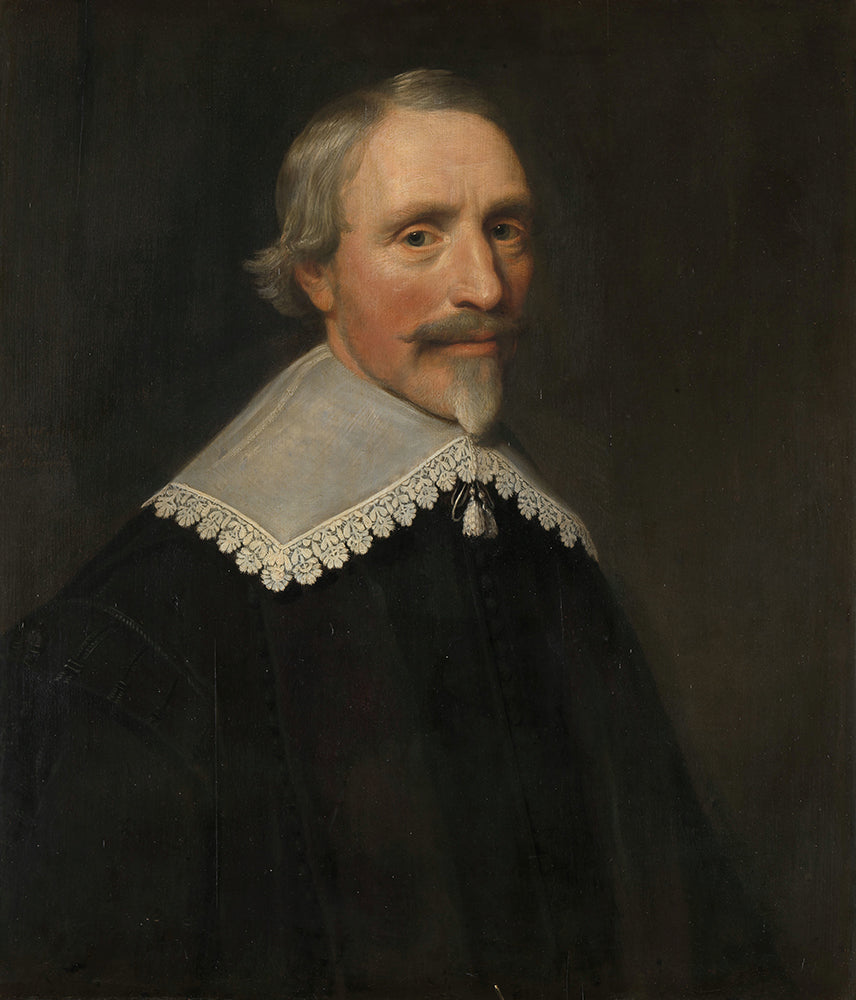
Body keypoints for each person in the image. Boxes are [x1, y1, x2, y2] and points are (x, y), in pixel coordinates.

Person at [0, 71, 783, 999]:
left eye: (506, 228)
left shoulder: (540, 545)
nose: (485, 286)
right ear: (317, 275)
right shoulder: (154, 612)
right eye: (419, 236)